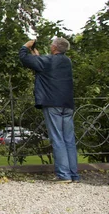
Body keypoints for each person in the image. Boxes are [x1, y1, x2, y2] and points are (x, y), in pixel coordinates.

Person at [19, 37, 79, 183]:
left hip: (52, 104)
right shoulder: (67, 61)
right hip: (67, 104)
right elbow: (47, 68)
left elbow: (25, 59)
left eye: (51, 44)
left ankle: (63, 175)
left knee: (57, 139)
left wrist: (25, 46)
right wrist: (39, 58)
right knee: (69, 140)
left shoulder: (48, 61)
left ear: (54, 48)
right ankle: (74, 174)